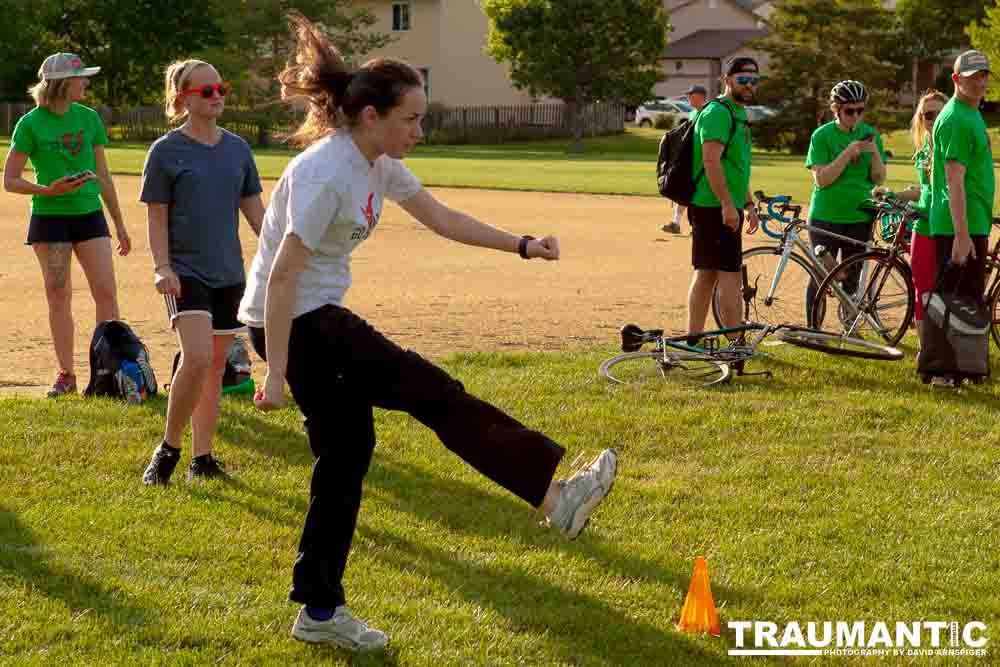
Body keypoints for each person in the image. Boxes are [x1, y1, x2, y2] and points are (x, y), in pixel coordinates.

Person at [238, 13, 618, 652]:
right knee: (431, 391)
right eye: (411, 119)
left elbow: (443, 219)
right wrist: (275, 372)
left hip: (312, 320)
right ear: (371, 116)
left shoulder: (377, 163)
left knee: (347, 458)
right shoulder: (327, 172)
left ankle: (319, 610)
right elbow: (281, 277)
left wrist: (522, 244)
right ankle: (557, 499)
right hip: (298, 324)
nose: (420, 130)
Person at [139, 59, 265, 484]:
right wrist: (162, 267)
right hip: (185, 272)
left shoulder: (238, 149)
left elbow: (255, 212)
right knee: (195, 356)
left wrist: (282, 251)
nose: (217, 97)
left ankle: (203, 459)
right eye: (206, 91)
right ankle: (169, 448)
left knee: (214, 365)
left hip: (229, 272)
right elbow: (157, 216)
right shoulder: (165, 151)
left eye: (221, 89)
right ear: (183, 99)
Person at [2, 53, 131, 397]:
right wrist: (47, 190)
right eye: (80, 77)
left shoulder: (89, 118)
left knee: (106, 292)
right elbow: (10, 179)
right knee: (58, 294)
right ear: (62, 83)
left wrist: (119, 223)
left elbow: (103, 175)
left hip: (89, 214)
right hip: (49, 218)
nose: (85, 82)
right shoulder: (30, 123)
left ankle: (110, 373)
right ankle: (66, 374)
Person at [927, 50, 994, 387]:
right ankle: (941, 371)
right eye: (972, 76)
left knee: (968, 298)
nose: (979, 82)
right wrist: (962, 234)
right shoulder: (955, 118)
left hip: (973, 220)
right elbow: (954, 182)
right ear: (956, 79)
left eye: (983, 75)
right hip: (958, 225)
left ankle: (963, 368)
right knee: (951, 299)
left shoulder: (971, 113)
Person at [685, 58, 760, 338]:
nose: (749, 85)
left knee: (707, 274)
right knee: (729, 276)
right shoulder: (719, 112)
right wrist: (728, 205)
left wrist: (748, 203)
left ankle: (694, 338)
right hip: (713, 206)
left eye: (754, 81)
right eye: (743, 80)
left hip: (723, 205)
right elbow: (711, 162)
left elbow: (736, 167)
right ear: (727, 80)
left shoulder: (738, 113)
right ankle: (734, 343)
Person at [804, 80, 887, 324]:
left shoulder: (870, 134)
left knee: (853, 276)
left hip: (861, 215)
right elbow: (822, 180)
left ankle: (849, 327)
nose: (856, 116)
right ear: (836, 109)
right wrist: (848, 152)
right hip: (826, 216)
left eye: (860, 110)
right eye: (850, 111)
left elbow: (878, 178)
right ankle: (814, 330)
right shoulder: (822, 135)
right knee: (821, 274)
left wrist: (874, 153)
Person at [873, 90, 948, 325]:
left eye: (938, 114)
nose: (932, 119)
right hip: (923, 225)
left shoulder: (952, 147)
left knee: (948, 294)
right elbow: (924, 191)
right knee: (921, 291)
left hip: (948, 227)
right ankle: (926, 344)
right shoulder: (924, 149)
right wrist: (893, 195)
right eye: (927, 115)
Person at [664, 84, 709, 235]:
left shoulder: (708, 113)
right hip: (690, 160)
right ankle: (676, 223)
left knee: (697, 194)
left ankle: (697, 227)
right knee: (684, 190)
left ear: (700, 96)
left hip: (703, 162)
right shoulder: (692, 114)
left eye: (691, 95)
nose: (688, 98)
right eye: (688, 95)